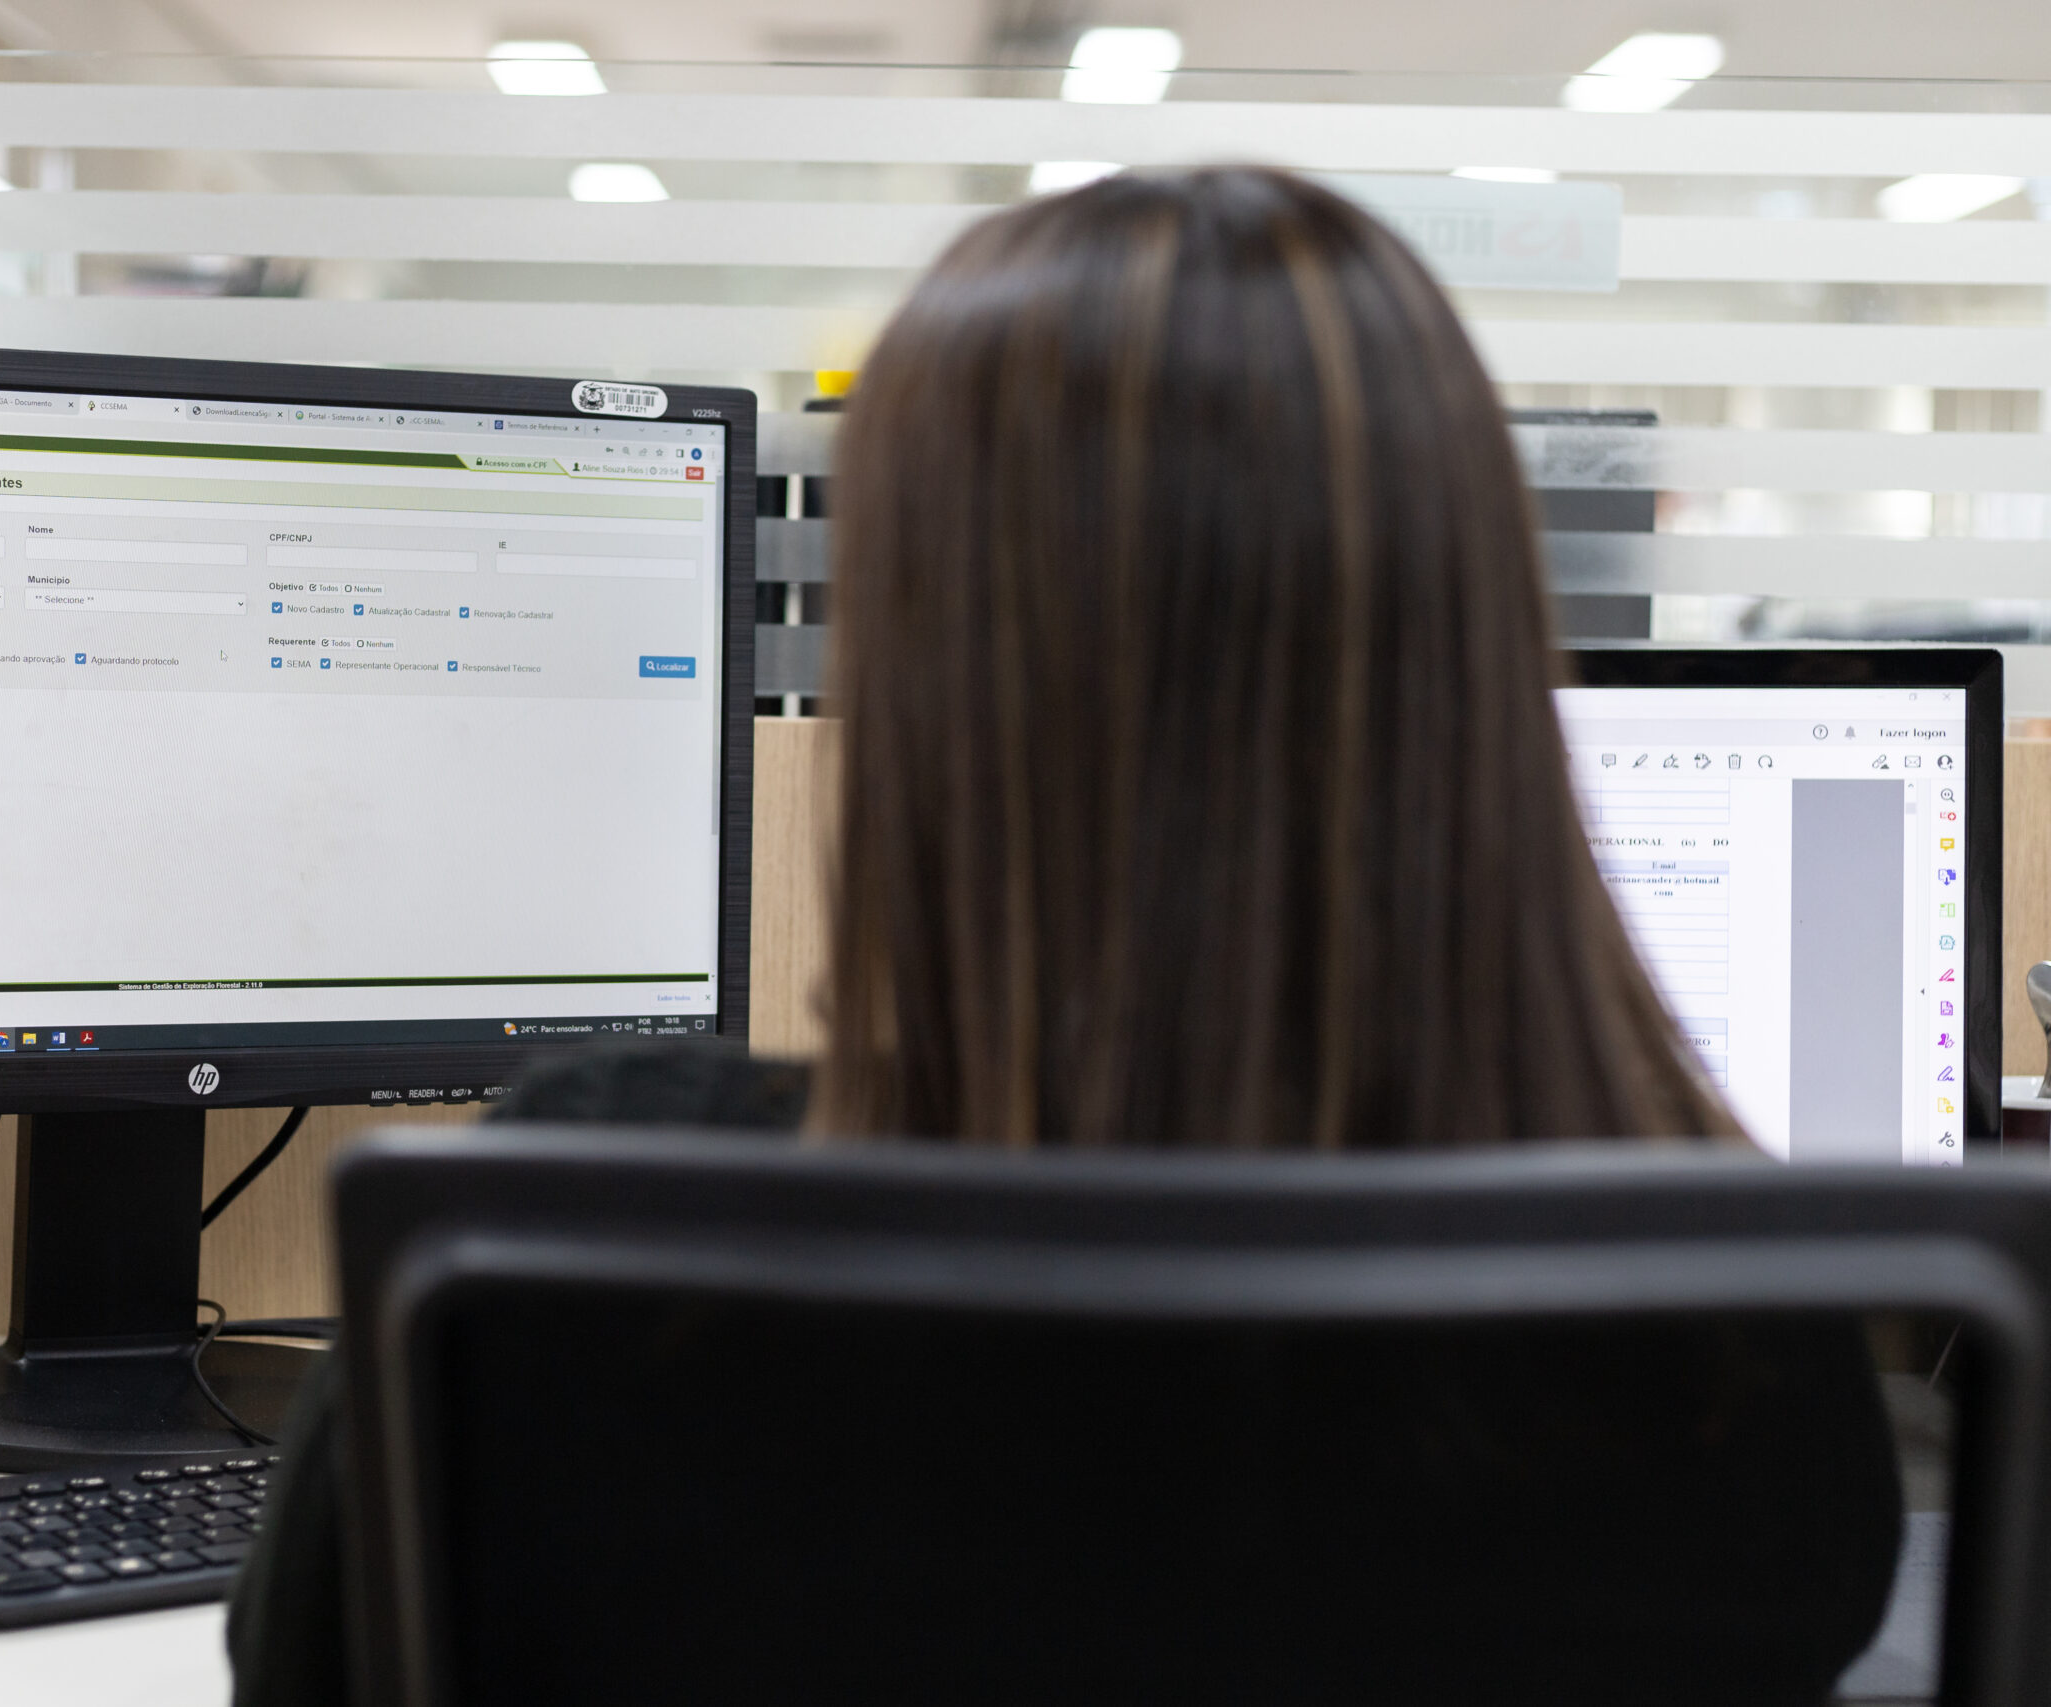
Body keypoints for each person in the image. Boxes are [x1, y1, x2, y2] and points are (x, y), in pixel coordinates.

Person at [229, 166, 1902, 1704]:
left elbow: (309, 1667)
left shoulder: (579, 1244)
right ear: (1478, 658)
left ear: (922, 686)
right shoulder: (1735, 1336)